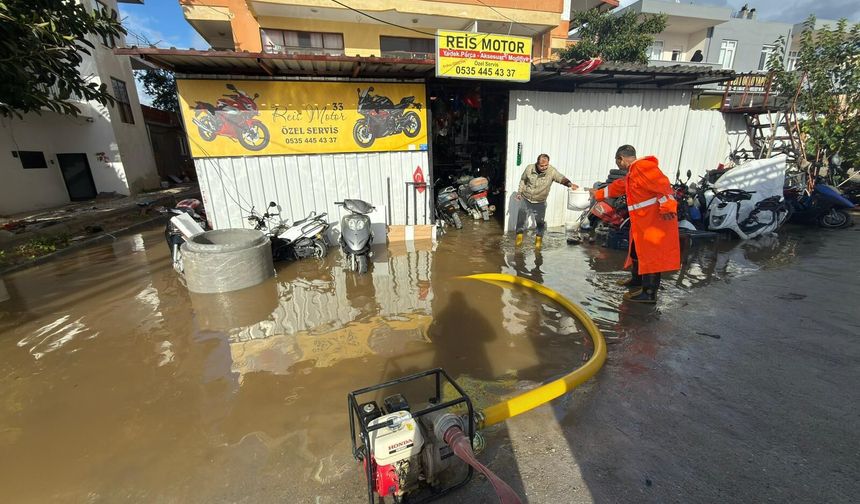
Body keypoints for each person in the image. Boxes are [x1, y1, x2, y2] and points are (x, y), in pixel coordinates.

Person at [590, 145, 680, 303]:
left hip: (654, 221)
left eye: (617, 162)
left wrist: (668, 207)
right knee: (638, 251)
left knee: (651, 255)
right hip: (642, 221)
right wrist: (597, 194)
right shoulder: (633, 173)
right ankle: (637, 281)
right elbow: (619, 186)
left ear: (621, 159)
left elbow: (663, 186)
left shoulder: (644, 167)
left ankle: (649, 293)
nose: (618, 165)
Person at [515, 154, 578, 249]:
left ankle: (538, 245)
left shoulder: (551, 171)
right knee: (520, 222)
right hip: (526, 199)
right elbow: (523, 180)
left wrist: (569, 184)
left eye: (546, 165)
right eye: (541, 165)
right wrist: (519, 192)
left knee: (540, 224)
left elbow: (560, 178)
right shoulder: (529, 168)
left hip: (540, 201)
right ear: (537, 163)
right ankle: (518, 243)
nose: (544, 168)